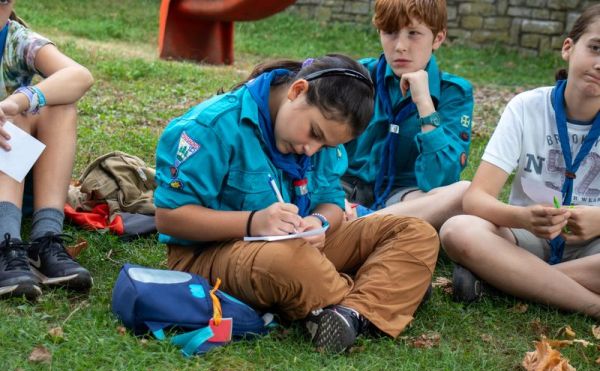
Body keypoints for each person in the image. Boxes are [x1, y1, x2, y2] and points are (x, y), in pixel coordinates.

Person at [154, 54, 439, 353]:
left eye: (325, 145)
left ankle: (348, 313)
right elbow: (170, 218)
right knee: (290, 262)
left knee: (416, 232)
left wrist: (319, 221)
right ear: (297, 91)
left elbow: (330, 199)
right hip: (212, 254)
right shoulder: (209, 127)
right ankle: (384, 291)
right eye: (314, 134)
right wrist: (253, 222)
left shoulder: (321, 135)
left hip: (301, 246)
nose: (310, 149)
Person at [440, 4, 600, 319]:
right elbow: (476, 199)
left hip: (593, 246)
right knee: (457, 230)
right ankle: (591, 305)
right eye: (595, 48)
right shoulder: (526, 108)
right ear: (568, 48)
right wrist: (524, 217)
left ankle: (508, 280)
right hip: (526, 238)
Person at [343, 0, 473, 230]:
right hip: (342, 188)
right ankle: (365, 224)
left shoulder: (453, 92)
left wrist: (424, 104)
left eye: (414, 33)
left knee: (463, 194)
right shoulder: (357, 75)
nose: (400, 45)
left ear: (438, 38)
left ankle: (362, 224)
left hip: (403, 199)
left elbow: (439, 181)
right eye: (390, 32)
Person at [0, 3, 94, 300]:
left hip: (14, 172)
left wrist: (22, 99)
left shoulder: (16, 40)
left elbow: (79, 76)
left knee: (55, 105)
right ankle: (4, 244)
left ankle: (44, 240)